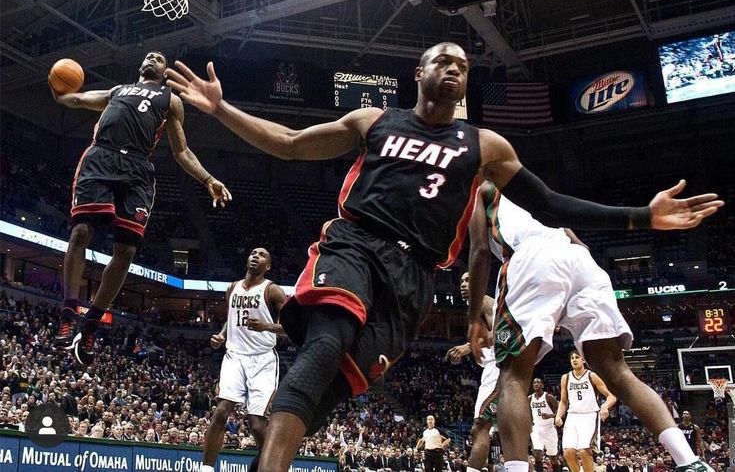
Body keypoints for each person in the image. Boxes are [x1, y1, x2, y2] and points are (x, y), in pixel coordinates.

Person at [165, 42, 722, 472]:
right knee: (328, 337)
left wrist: (641, 216)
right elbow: (287, 142)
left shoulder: (486, 146)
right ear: (420, 73)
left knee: (335, 385)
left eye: (462, 65)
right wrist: (221, 109)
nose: (454, 68)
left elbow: (549, 203)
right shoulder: (373, 122)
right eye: (443, 61)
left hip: (415, 276)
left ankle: (275, 428)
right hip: (357, 242)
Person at [465, 182, 719, 472]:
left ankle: (516, 469)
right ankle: (691, 462)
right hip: (580, 261)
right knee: (618, 371)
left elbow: (480, 252)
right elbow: (579, 243)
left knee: (512, 377)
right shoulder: (527, 185)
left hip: (530, 257)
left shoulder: (481, 189)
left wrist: (474, 318)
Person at [50, 51, 231, 365]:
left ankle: (92, 321)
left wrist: (207, 179)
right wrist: (58, 90)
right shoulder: (117, 91)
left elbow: (182, 151)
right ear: (139, 65)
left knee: (126, 252)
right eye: (149, 56)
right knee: (80, 231)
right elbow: (77, 100)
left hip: (137, 169)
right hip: (100, 158)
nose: (153, 57)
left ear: (163, 73)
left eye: (160, 58)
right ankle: (68, 312)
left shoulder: (170, 100)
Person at [201, 247, 286, 472]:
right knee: (221, 410)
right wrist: (221, 335)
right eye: (253, 253)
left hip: (263, 360)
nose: (255, 256)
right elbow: (231, 319)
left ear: (267, 266)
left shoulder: (273, 291)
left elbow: (292, 328)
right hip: (234, 357)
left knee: (257, 425)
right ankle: (206, 469)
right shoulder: (233, 288)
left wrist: (266, 326)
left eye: (262, 255)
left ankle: (270, 467)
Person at [446, 271, 497, 472]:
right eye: (461, 281)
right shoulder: (473, 309)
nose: (463, 284)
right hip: (491, 369)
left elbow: (504, 331)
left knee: (480, 426)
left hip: (499, 368)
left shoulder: (485, 301)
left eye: (468, 280)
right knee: (505, 432)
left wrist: (469, 346)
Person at [556, 351, 616, 472]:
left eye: (577, 357)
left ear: (583, 360)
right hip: (572, 416)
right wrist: (558, 416)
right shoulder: (566, 378)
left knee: (584, 451)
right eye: (572, 358)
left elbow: (611, 396)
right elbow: (563, 402)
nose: (574, 360)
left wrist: (605, 406)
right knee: (568, 452)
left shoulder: (591, 376)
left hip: (589, 416)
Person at [529, 378, 559, 472]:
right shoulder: (530, 398)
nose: (536, 384)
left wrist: (550, 415)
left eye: (538, 382)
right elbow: (528, 413)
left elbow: (560, 413)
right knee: (537, 453)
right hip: (537, 428)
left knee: (553, 457)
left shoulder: (549, 397)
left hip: (549, 428)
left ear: (542, 385)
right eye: (534, 382)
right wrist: (529, 425)